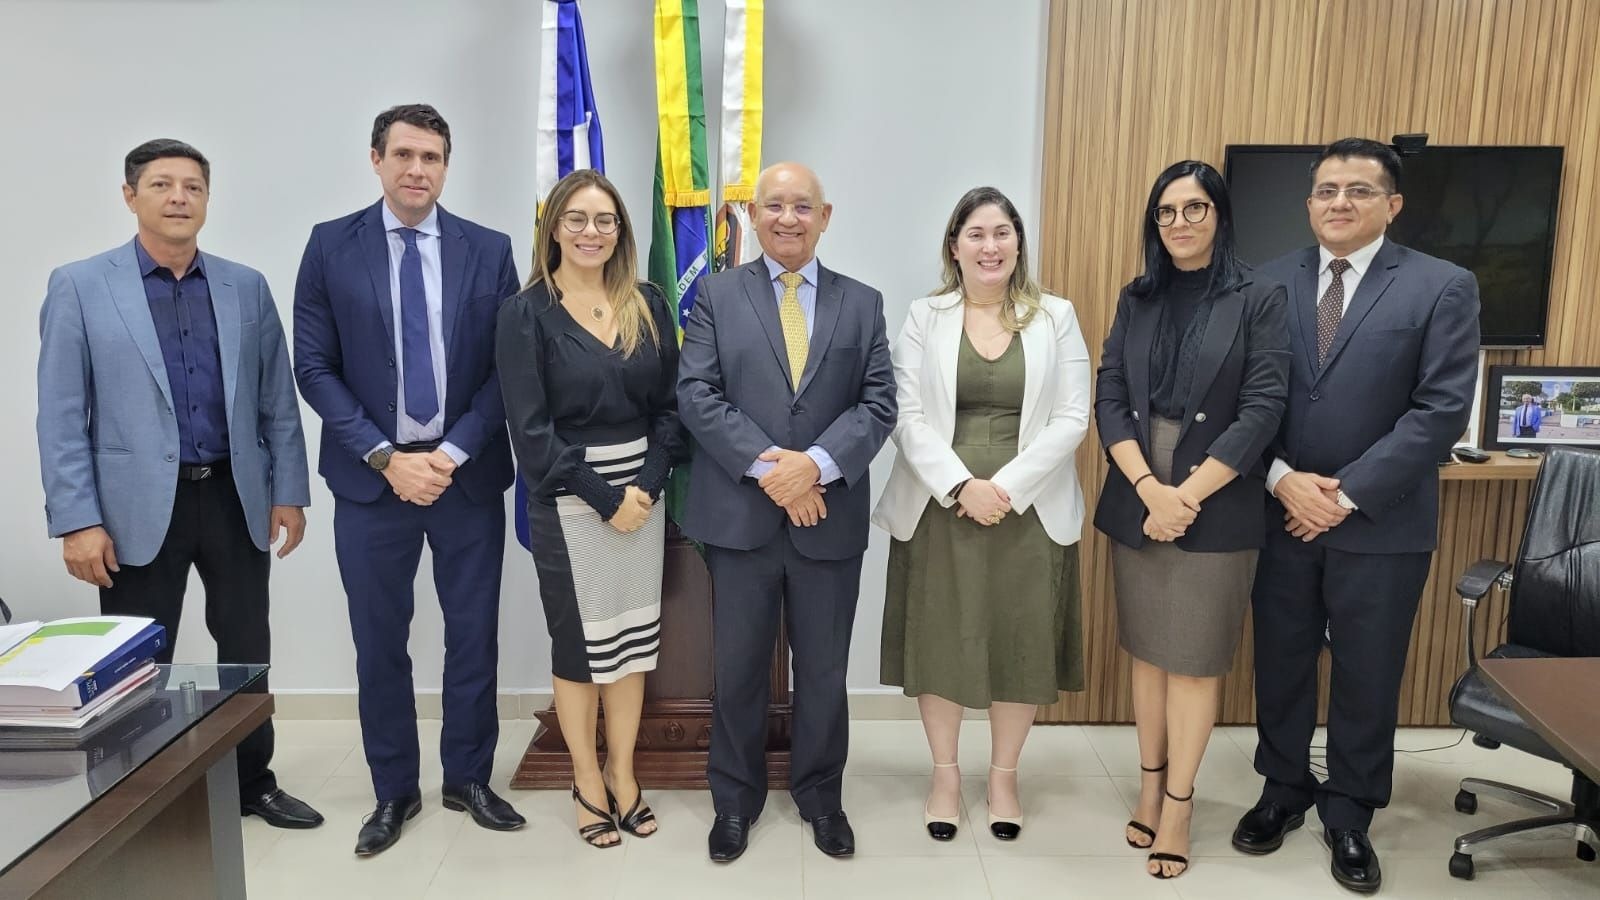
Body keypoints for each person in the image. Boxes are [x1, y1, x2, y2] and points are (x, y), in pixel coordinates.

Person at [36, 139, 321, 829]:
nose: (178, 198)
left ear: (207, 199)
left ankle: (251, 781)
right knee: (137, 659)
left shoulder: (244, 286)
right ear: (129, 195)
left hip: (233, 495)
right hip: (131, 509)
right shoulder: (80, 285)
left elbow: (276, 400)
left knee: (247, 648)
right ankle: (138, 798)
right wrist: (76, 520)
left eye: (192, 186)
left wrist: (289, 490)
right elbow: (61, 413)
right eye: (161, 184)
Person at [1233, 138, 1479, 894]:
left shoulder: (1441, 286)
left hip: (1381, 523)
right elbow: (1245, 398)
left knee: (1369, 674)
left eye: (1359, 190)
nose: (1340, 202)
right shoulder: (1264, 282)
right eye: (1327, 190)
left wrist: (1341, 496)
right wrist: (1283, 481)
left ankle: (1350, 812)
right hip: (1280, 514)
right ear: (1309, 203)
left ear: (1392, 204)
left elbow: (1439, 411)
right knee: (1281, 662)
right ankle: (1282, 789)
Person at [293, 104, 525, 856]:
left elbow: (507, 370)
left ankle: (469, 778)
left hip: (465, 478)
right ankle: (394, 789)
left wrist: (450, 454)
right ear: (376, 159)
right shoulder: (331, 246)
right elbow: (314, 367)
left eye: (431, 157)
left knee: (474, 636)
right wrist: (386, 458)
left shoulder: (488, 250)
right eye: (403, 155)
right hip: (372, 482)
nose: (417, 169)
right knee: (379, 643)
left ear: (446, 166)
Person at [677, 162, 896, 862]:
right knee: (737, 670)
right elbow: (697, 395)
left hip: (829, 521)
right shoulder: (716, 295)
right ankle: (734, 802)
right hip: (740, 520)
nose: (788, 218)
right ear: (754, 214)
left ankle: (822, 798)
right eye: (773, 205)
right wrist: (778, 471)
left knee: (824, 674)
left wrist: (816, 467)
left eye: (803, 206)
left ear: (824, 217)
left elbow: (878, 404)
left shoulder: (863, 302)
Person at [872, 186, 1091, 845]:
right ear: (955, 246)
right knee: (940, 641)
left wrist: (1007, 488)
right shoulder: (925, 315)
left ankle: (1003, 777)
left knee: (1018, 643)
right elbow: (904, 415)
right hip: (941, 506)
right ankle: (944, 776)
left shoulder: (1056, 316)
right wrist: (961, 485)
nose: (990, 246)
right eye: (976, 234)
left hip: (1030, 507)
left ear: (1018, 243)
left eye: (1002, 232)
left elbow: (1072, 417)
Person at [1093, 161, 1290, 878]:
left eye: (1195, 208)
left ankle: (1179, 804)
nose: (1179, 223)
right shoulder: (1138, 295)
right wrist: (1151, 488)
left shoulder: (1260, 295)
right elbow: (1110, 392)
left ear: (1220, 215)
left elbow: (1263, 409)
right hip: (1139, 483)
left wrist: (1186, 497)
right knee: (1148, 653)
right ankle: (1148, 786)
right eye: (1167, 212)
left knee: (1195, 660)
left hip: (1219, 490)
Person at [497, 169, 684, 848]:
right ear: (553, 228)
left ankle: (622, 774)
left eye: (605, 220)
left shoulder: (648, 302)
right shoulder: (524, 314)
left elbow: (671, 409)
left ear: (620, 231)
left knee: (630, 646)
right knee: (580, 650)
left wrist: (646, 488)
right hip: (570, 501)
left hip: (642, 496)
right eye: (575, 218)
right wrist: (607, 500)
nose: (591, 232)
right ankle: (585, 781)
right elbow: (531, 432)